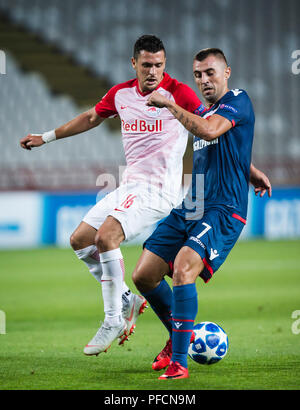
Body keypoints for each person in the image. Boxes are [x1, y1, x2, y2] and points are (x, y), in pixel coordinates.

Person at [19, 35, 206, 355]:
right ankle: (125, 301)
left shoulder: (179, 93)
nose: (153, 72)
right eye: (147, 65)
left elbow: (208, 124)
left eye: (159, 65)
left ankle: (113, 319)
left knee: (107, 237)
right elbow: (91, 117)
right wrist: (45, 138)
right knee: (80, 240)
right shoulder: (121, 94)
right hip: (129, 186)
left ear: (165, 65)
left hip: (159, 190)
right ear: (134, 64)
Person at [132, 48, 272, 380]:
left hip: (224, 208)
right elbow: (220, 141)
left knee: (182, 267)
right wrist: (250, 169)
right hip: (191, 204)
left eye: (210, 72)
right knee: (144, 275)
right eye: (198, 74)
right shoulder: (203, 112)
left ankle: (180, 362)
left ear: (227, 72)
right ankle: (176, 336)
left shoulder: (238, 99)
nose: (204, 80)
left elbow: (210, 132)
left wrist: (169, 104)